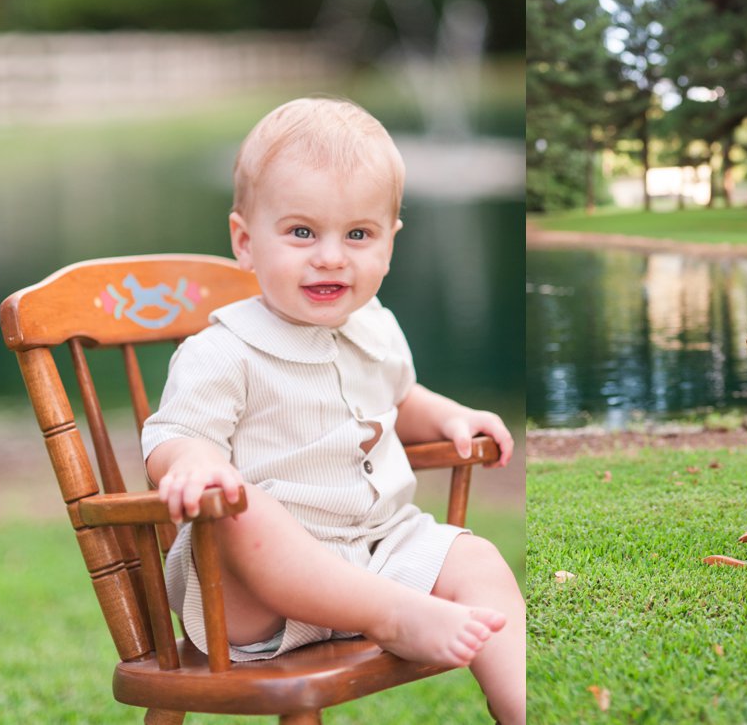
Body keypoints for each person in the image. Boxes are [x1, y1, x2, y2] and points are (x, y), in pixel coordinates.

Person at [142, 97, 525, 724]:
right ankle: (391, 615)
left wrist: (451, 415)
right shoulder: (221, 351)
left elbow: (399, 400)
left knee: (478, 560)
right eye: (301, 232)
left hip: (376, 551)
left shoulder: (375, 327)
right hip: (260, 596)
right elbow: (176, 434)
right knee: (243, 506)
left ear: (390, 242)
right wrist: (194, 463)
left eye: (357, 234)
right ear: (245, 240)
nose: (330, 256)